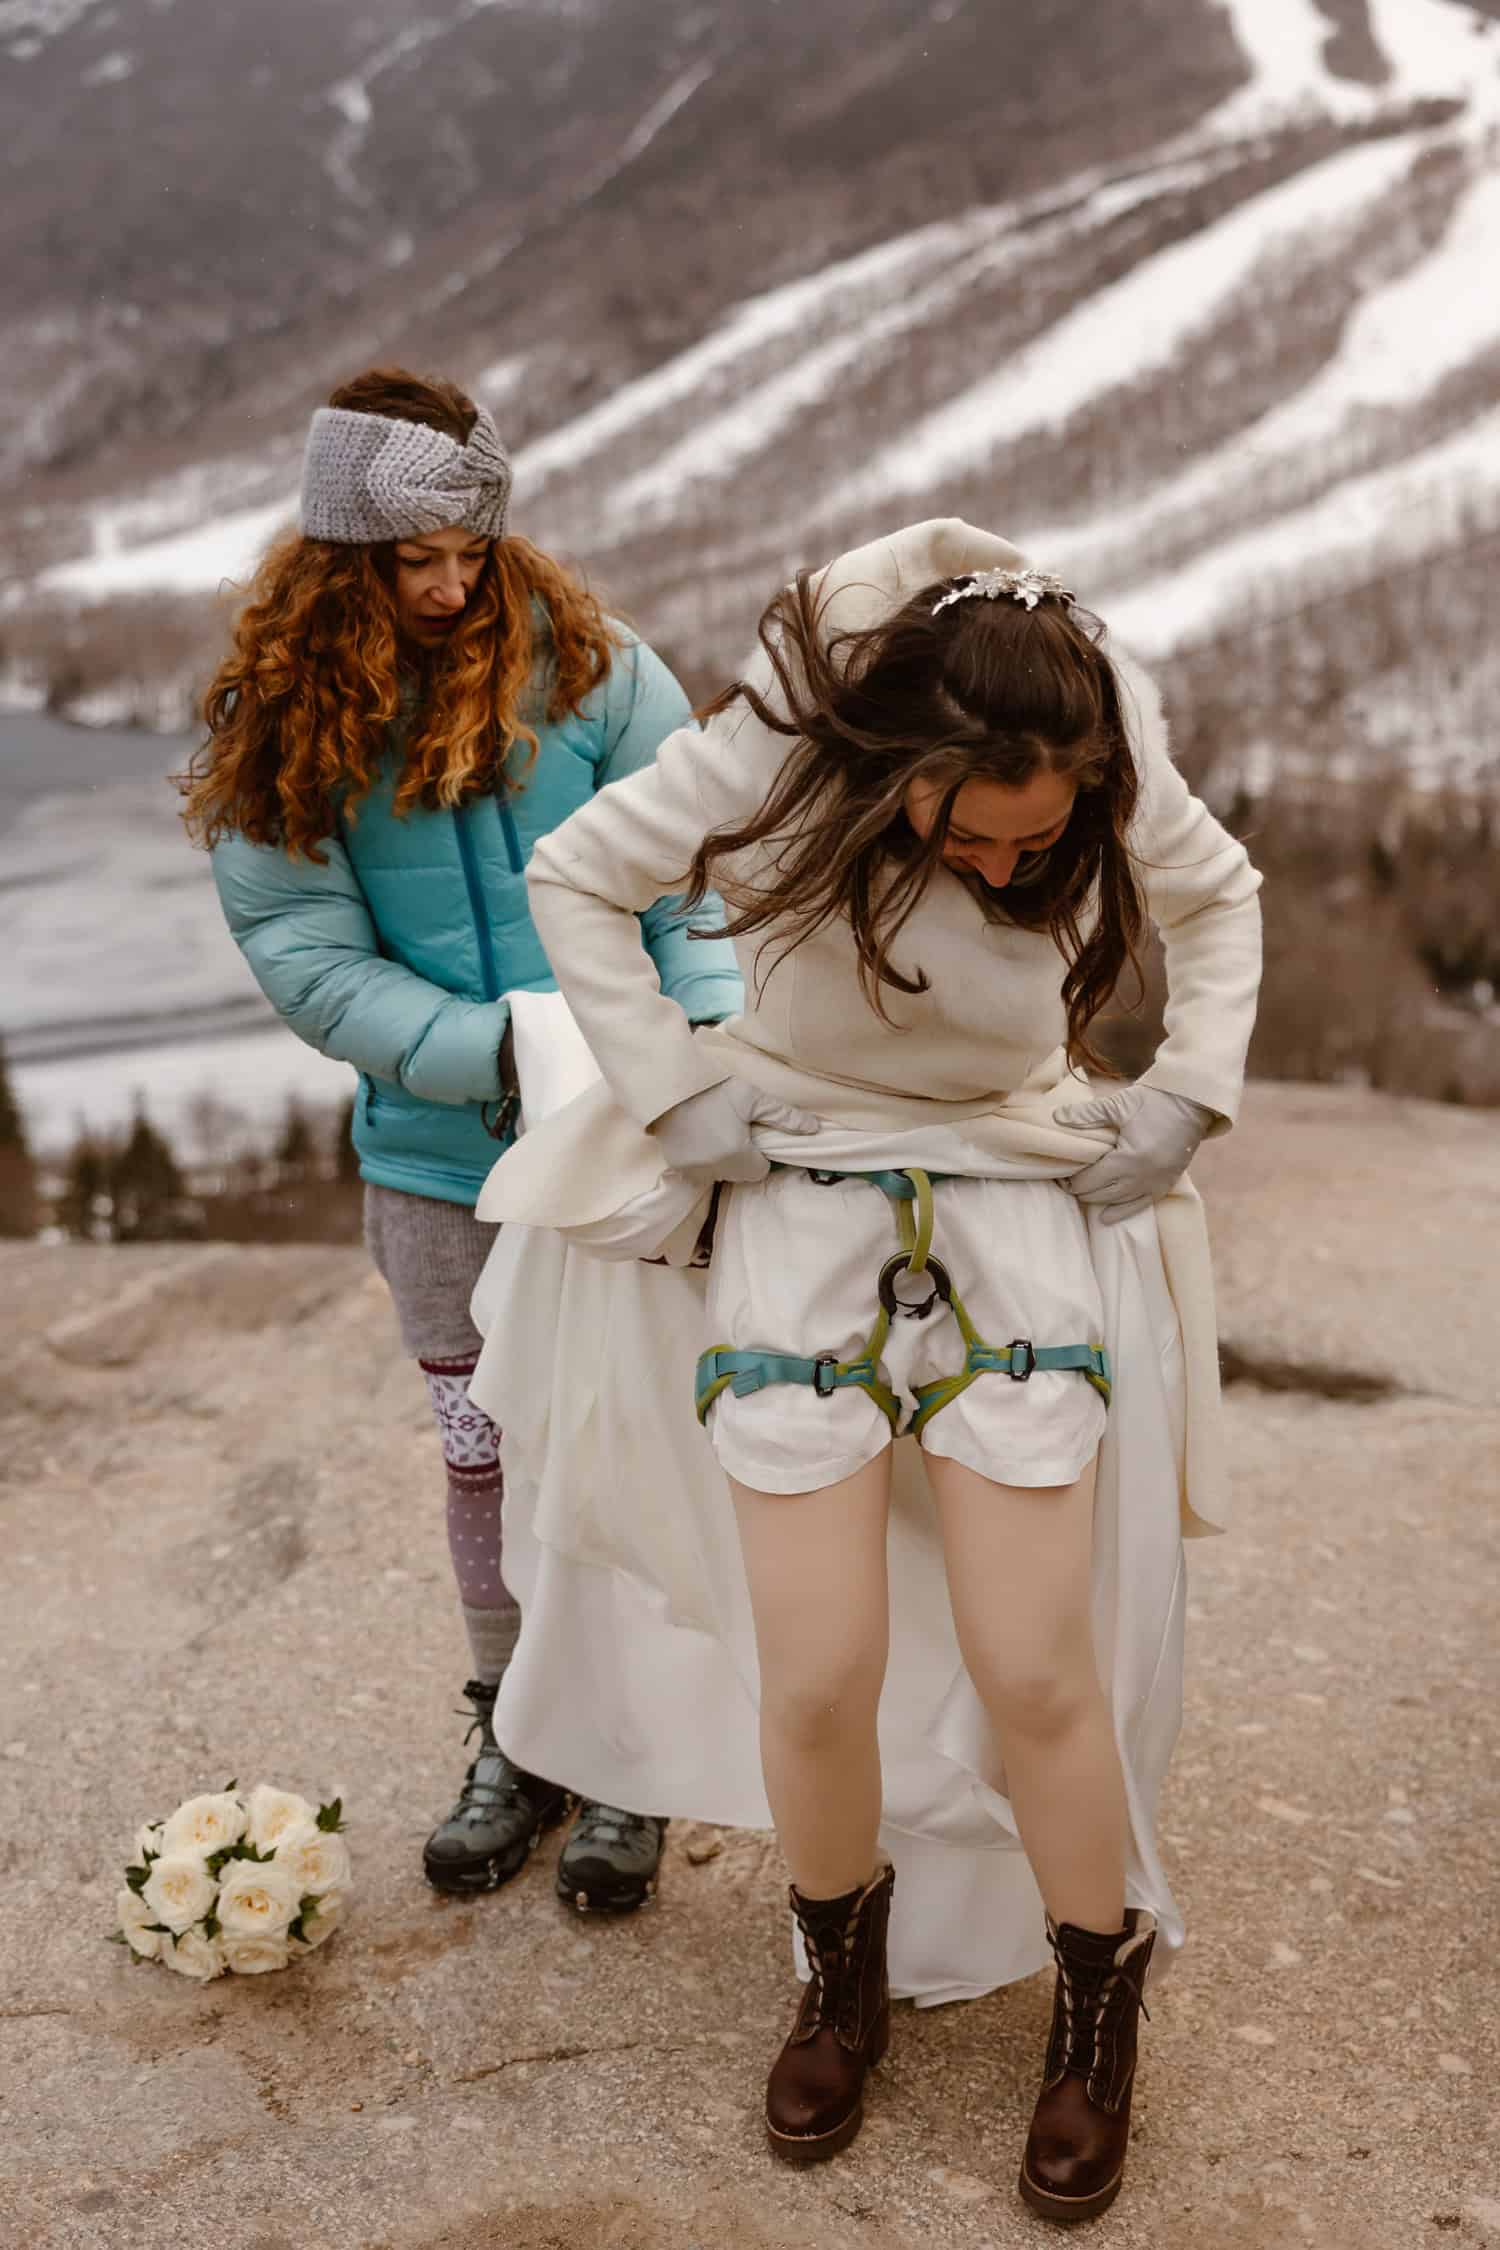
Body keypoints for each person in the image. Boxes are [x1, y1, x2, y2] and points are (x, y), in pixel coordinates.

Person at [489, 519, 1262, 2222]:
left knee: (1035, 1665)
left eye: (1040, 839)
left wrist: (1187, 1093)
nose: (1006, 865)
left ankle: (1095, 1999)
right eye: (973, 830)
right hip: (795, 1196)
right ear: (897, 760)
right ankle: (838, 1974)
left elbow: (1218, 896)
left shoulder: (1093, 722)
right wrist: (680, 1098)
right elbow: (578, 881)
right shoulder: (786, 727)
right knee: (819, 1668)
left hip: (1015, 1199)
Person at [178, 366, 742, 1915]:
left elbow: (689, 880)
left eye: (465, 554)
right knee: (488, 1454)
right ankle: (515, 1731)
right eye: (405, 562)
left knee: (623, 1440)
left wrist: (692, 1047)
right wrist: (496, 1048)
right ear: (336, 560)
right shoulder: (280, 719)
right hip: (440, 1156)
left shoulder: (597, 672)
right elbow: (307, 953)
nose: (442, 586)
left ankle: (628, 1751)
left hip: (623, 1136)